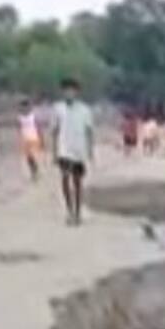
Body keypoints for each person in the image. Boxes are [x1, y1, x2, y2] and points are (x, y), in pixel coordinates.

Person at [51, 79, 95, 226]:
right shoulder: (58, 109)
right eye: (66, 90)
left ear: (77, 92)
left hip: (79, 150)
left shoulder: (85, 110)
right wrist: (54, 152)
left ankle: (77, 212)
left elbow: (89, 131)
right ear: (63, 92)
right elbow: (55, 131)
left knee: (77, 182)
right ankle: (69, 211)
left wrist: (90, 151)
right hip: (64, 150)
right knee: (64, 179)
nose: (69, 93)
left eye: (72, 90)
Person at [16, 103, 44, 182]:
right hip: (25, 140)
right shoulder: (20, 118)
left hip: (34, 139)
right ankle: (34, 171)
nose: (25, 109)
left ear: (29, 107)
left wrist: (41, 139)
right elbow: (19, 128)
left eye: (26, 107)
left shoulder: (33, 117)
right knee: (28, 158)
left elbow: (38, 128)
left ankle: (35, 171)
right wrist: (20, 138)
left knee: (33, 156)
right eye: (23, 107)